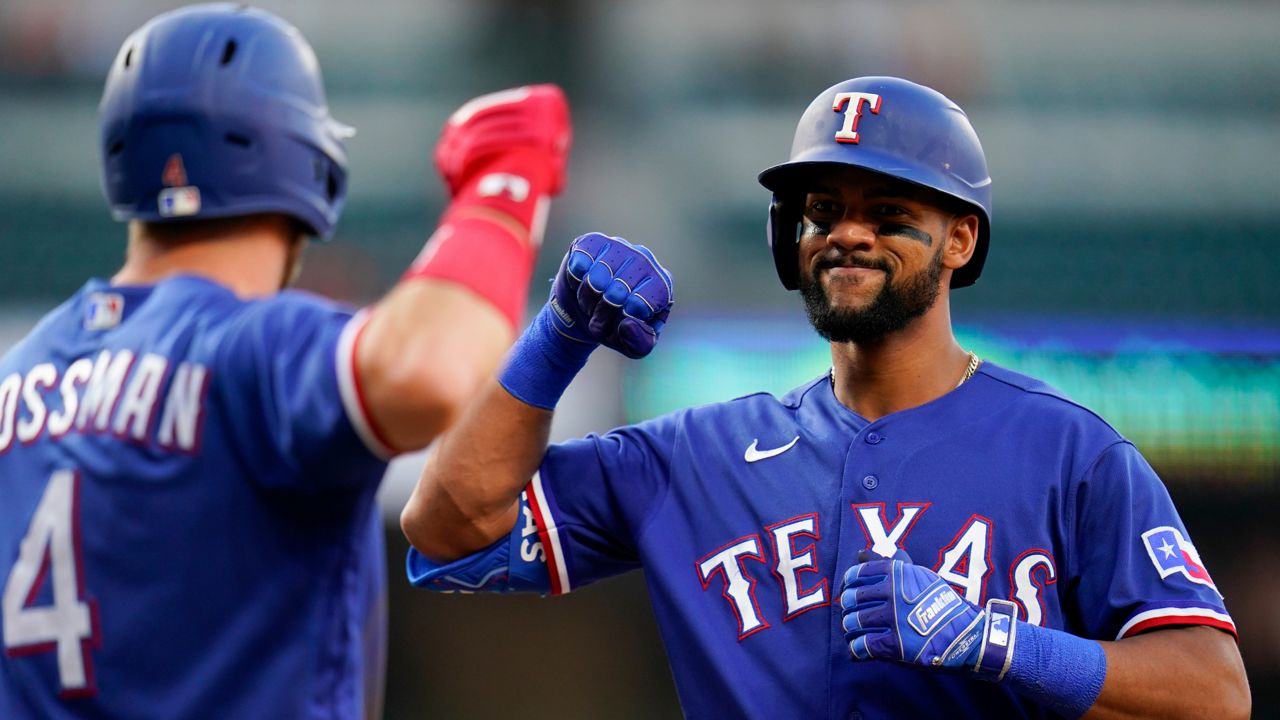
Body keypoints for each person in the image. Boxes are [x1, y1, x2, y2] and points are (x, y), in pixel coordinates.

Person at [399, 75, 1252, 719]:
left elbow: (1215, 692)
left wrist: (1002, 644)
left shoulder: (1069, 452)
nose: (847, 231)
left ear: (960, 237)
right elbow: (447, 525)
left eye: (885, 210)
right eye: (822, 209)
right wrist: (556, 342)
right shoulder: (694, 457)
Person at [0, 4, 571, 719]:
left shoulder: (18, 374)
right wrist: (503, 188)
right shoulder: (247, 345)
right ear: (311, 167)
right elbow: (427, 369)